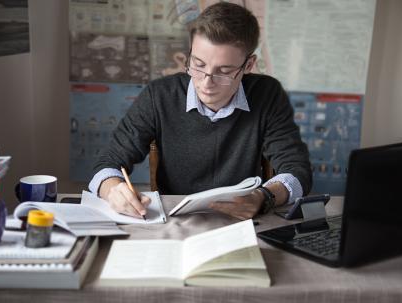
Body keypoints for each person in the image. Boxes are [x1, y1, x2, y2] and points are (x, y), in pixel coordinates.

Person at [88, 2, 312, 220]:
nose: (206, 83)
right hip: (174, 221)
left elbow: (297, 172)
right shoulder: (159, 95)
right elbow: (106, 164)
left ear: (248, 66)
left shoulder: (267, 94)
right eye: (198, 64)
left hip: (241, 222)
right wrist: (114, 191)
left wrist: (264, 197)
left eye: (223, 71)